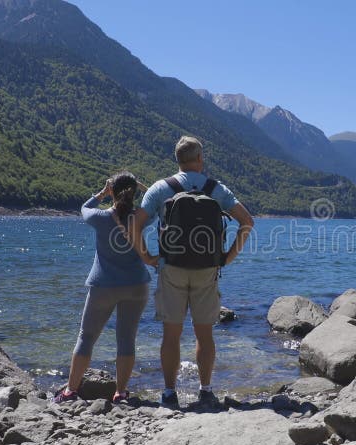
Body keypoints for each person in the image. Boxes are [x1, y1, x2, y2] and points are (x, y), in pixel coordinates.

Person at [130, 136, 254, 408]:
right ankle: (206, 390)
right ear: (200, 159)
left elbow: (135, 225)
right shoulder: (216, 189)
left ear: (177, 160)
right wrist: (227, 257)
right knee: (204, 334)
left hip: (171, 267)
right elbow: (247, 221)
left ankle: (169, 392)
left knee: (171, 334)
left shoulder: (161, 188)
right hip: (207, 269)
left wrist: (148, 257)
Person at [54, 171, 159, 404]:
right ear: (134, 192)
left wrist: (102, 193)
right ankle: (120, 393)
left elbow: (84, 207)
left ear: (112, 191)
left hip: (103, 286)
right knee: (127, 339)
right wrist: (143, 188)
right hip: (136, 286)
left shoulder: (99, 218)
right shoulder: (141, 218)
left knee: (87, 337)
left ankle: (70, 391)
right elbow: (157, 203)